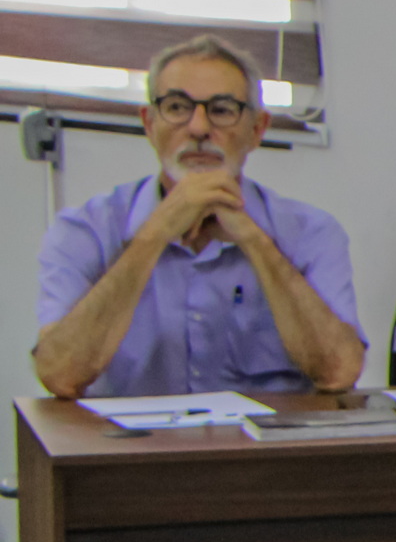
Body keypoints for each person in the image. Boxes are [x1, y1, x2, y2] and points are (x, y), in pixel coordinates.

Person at [33, 34, 362, 400]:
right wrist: (154, 234)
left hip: (266, 437)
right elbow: (60, 375)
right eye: (177, 107)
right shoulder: (84, 231)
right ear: (149, 124)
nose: (199, 128)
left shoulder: (312, 232)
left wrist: (255, 240)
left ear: (257, 130)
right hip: (135, 437)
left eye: (222, 110)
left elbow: (339, 374)